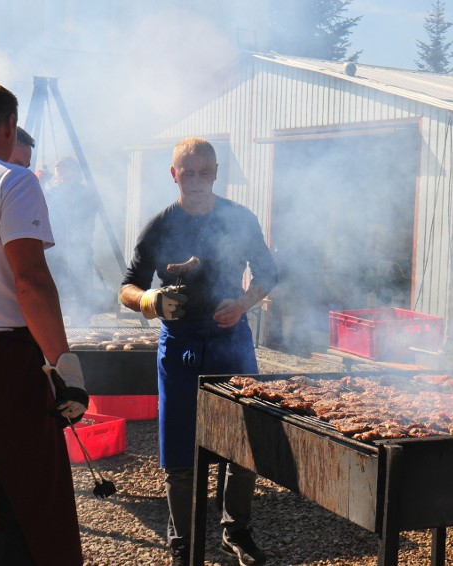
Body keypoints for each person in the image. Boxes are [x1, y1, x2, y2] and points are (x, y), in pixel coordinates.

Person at [119, 136, 278, 566]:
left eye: (203, 172)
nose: (195, 180)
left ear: (216, 174)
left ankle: (237, 531)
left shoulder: (240, 219)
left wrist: (243, 303)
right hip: (180, 345)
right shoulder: (158, 226)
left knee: (242, 439)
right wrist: (151, 301)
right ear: (174, 174)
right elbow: (127, 287)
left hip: (232, 342)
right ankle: (183, 540)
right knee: (179, 445)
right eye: (186, 172)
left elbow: (268, 273)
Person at [0, 82, 87, 564]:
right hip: (1, 367)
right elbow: (30, 281)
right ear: (9, 127)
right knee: (26, 501)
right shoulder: (12, 180)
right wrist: (64, 367)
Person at [44, 156, 100, 325]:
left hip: (80, 254)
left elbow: (85, 220)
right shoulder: (49, 194)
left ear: (75, 173)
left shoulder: (86, 195)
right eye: (58, 173)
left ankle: (82, 328)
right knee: (53, 299)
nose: (60, 177)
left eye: (64, 172)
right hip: (54, 256)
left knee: (82, 300)